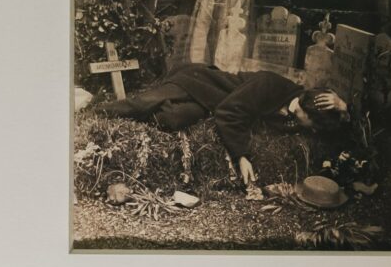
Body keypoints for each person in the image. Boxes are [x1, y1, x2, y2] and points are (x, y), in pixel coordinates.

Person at [98, 62, 348, 187]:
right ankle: (95, 108)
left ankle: (164, 105)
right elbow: (229, 113)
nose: (313, 131)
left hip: (211, 105)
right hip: (202, 82)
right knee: (143, 103)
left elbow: (336, 136)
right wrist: (241, 156)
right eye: (313, 124)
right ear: (306, 110)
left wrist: (343, 107)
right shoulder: (269, 84)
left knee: (173, 119)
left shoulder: (298, 113)